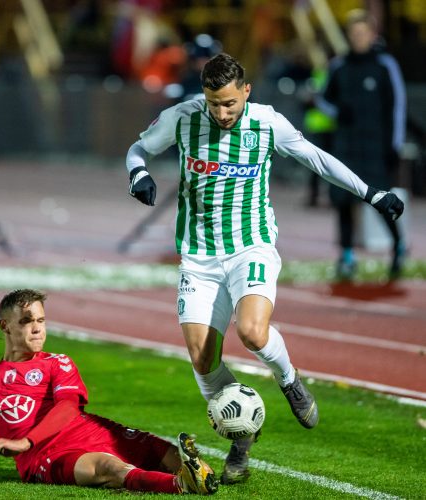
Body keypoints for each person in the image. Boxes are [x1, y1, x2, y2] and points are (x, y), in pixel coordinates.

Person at [126, 52, 404, 483]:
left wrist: (371, 192)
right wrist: (138, 172)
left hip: (250, 246)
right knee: (202, 360)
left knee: (252, 332)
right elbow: (139, 147)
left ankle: (289, 381)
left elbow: (317, 158)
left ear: (247, 92)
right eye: (215, 103)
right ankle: (242, 436)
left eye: (231, 103)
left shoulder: (266, 122)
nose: (222, 113)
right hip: (198, 256)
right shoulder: (181, 118)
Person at [0, 289, 218, 495]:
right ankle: (179, 486)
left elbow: (68, 408)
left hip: (90, 431)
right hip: (46, 455)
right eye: (27, 321)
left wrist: (23, 441)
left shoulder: (58, 362)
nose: (37, 329)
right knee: (110, 468)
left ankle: (198, 476)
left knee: (163, 451)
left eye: (41, 320)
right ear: (5, 326)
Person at [316, 9, 407, 279]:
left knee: (382, 202)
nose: (358, 38)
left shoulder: (384, 65)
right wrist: (336, 113)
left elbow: (397, 107)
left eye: (362, 33)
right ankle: (346, 256)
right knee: (343, 200)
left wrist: (395, 145)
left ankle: (398, 247)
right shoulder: (339, 66)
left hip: (376, 146)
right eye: (353, 33)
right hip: (346, 146)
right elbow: (323, 99)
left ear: (372, 34)